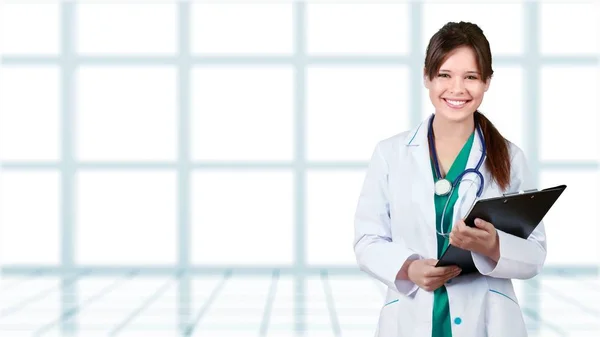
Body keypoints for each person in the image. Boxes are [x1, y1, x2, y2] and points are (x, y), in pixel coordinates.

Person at [353, 21, 546, 337]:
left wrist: (495, 245)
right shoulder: (391, 153)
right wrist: (409, 269)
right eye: (445, 75)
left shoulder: (509, 156)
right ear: (427, 78)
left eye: (470, 77)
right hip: (410, 315)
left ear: (487, 82)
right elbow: (367, 240)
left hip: (487, 318)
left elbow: (535, 253)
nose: (457, 88)